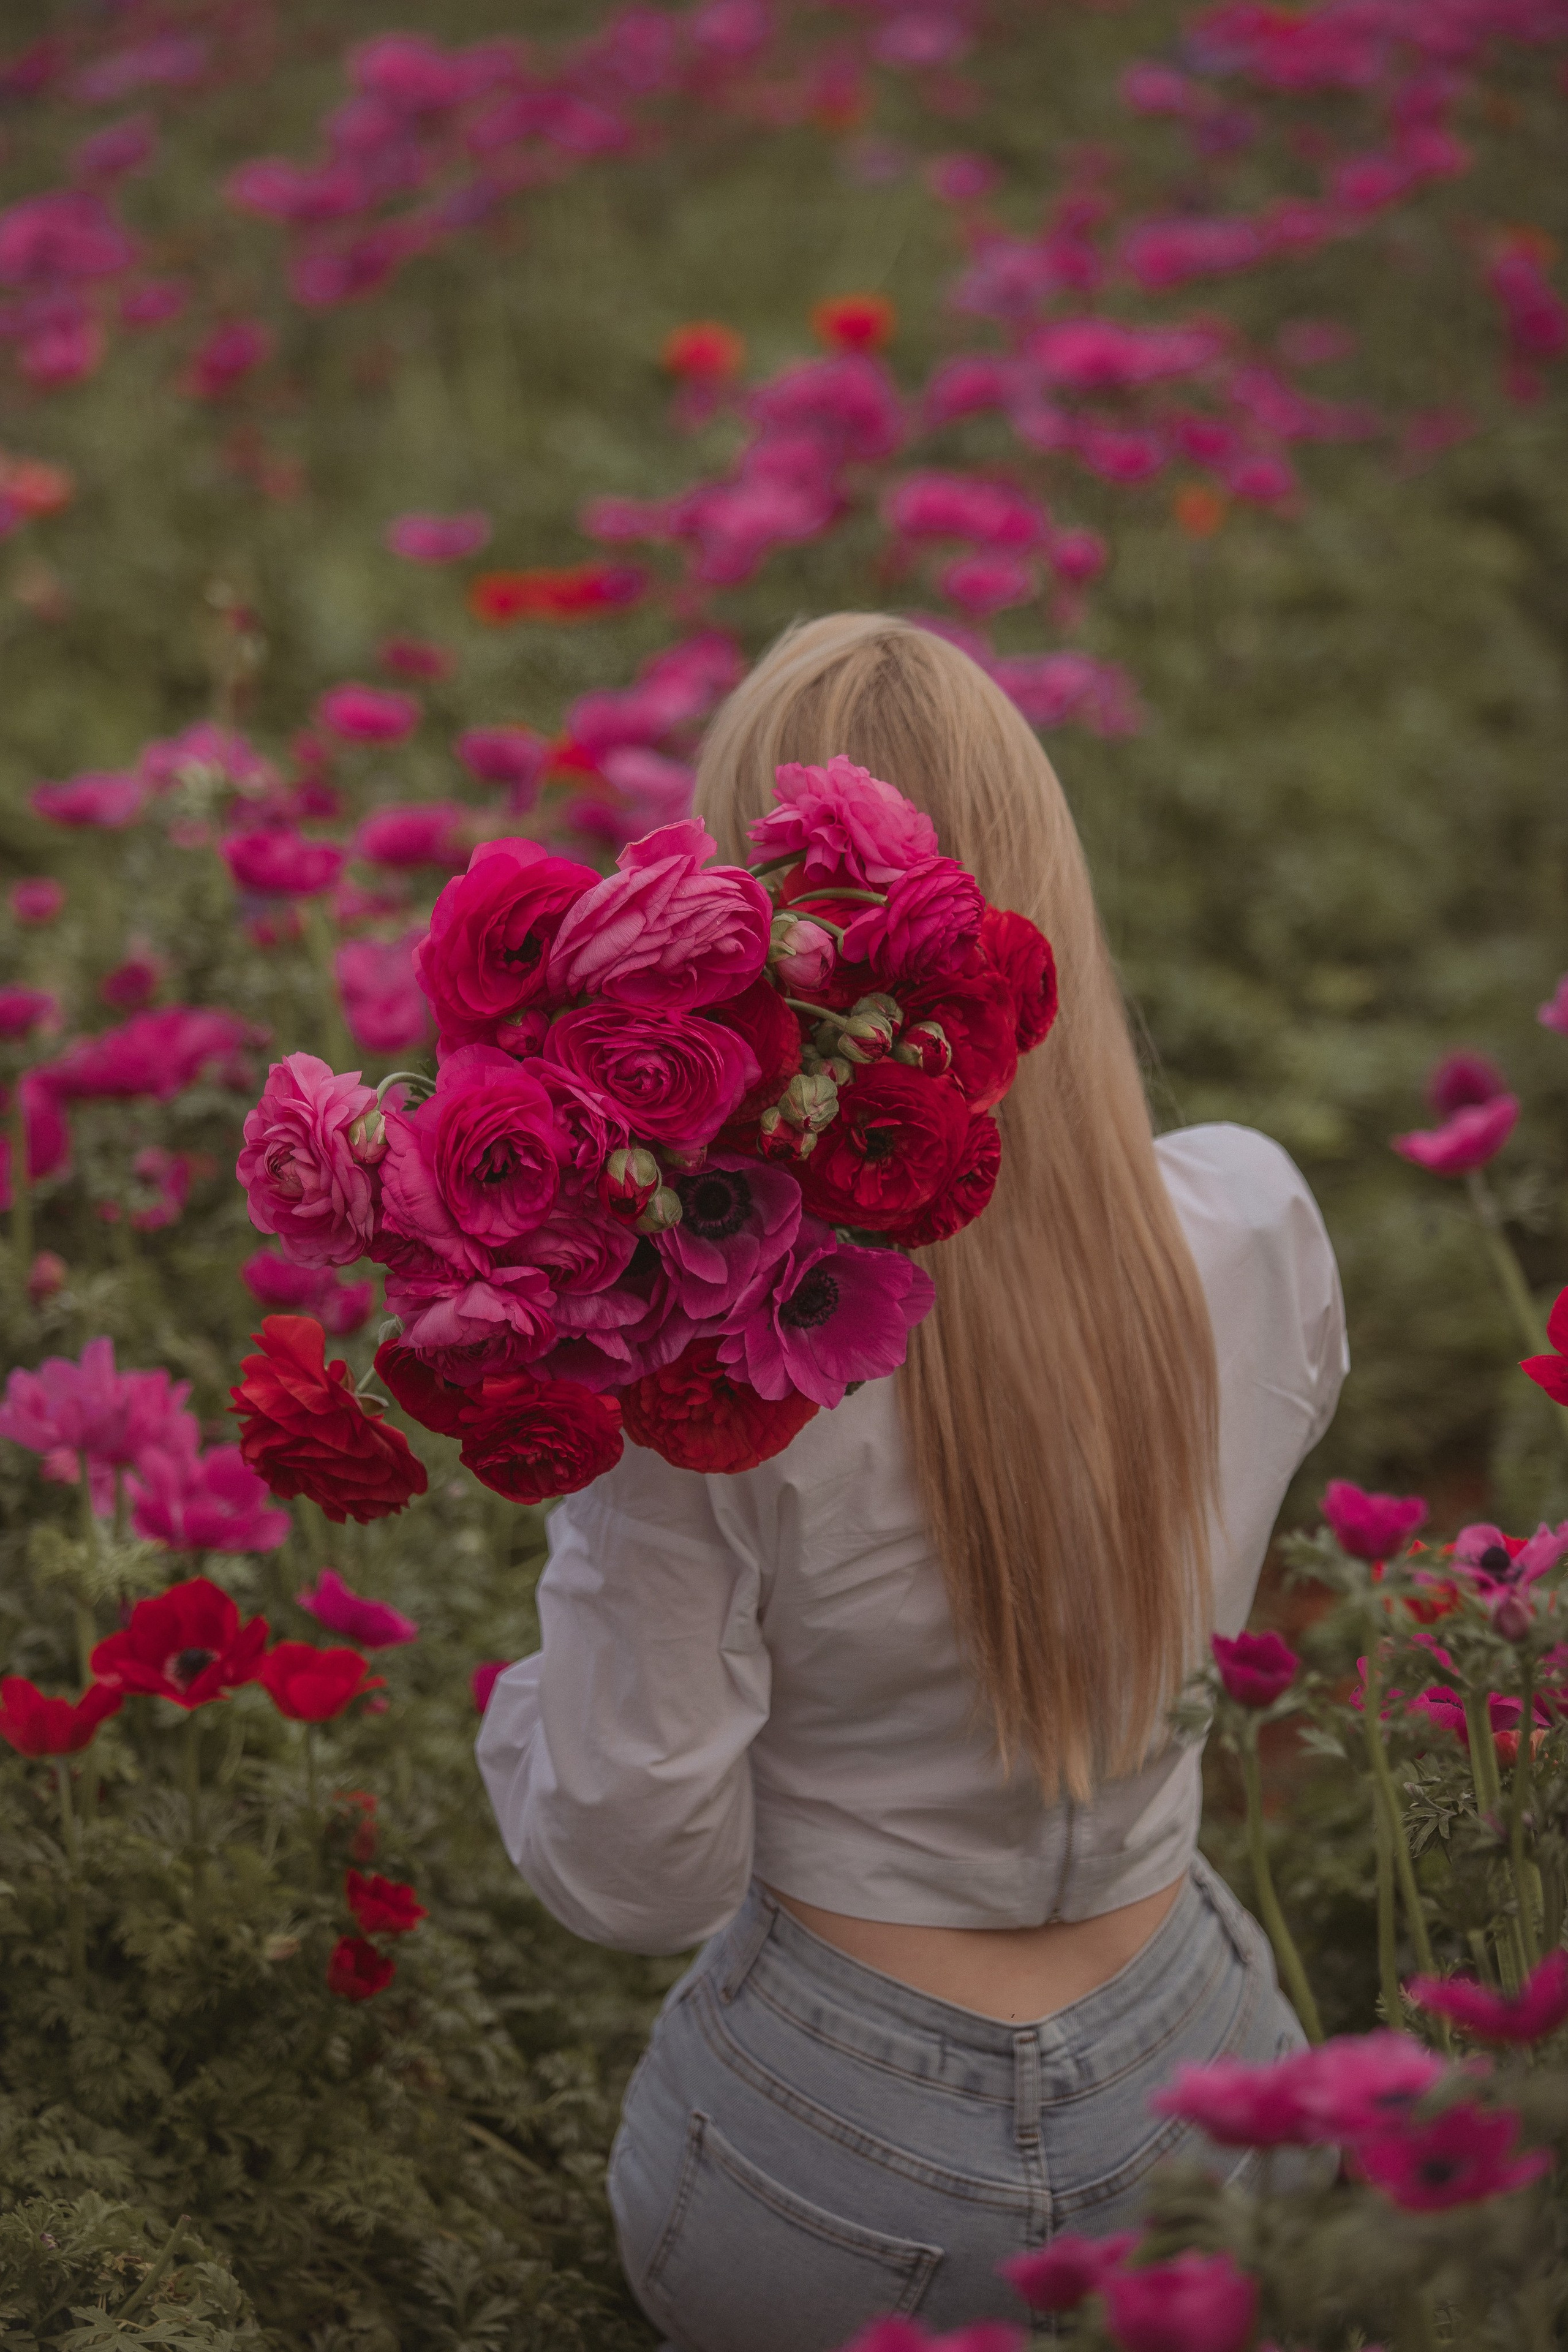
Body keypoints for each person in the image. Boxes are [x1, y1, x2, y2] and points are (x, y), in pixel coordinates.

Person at [477, 613, 1348, 2352]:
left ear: (728, 932)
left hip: (840, 2158)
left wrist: (528, 1701)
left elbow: (638, 1876)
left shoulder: (711, 1373)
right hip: (1212, 2089)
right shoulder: (1248, 1225)